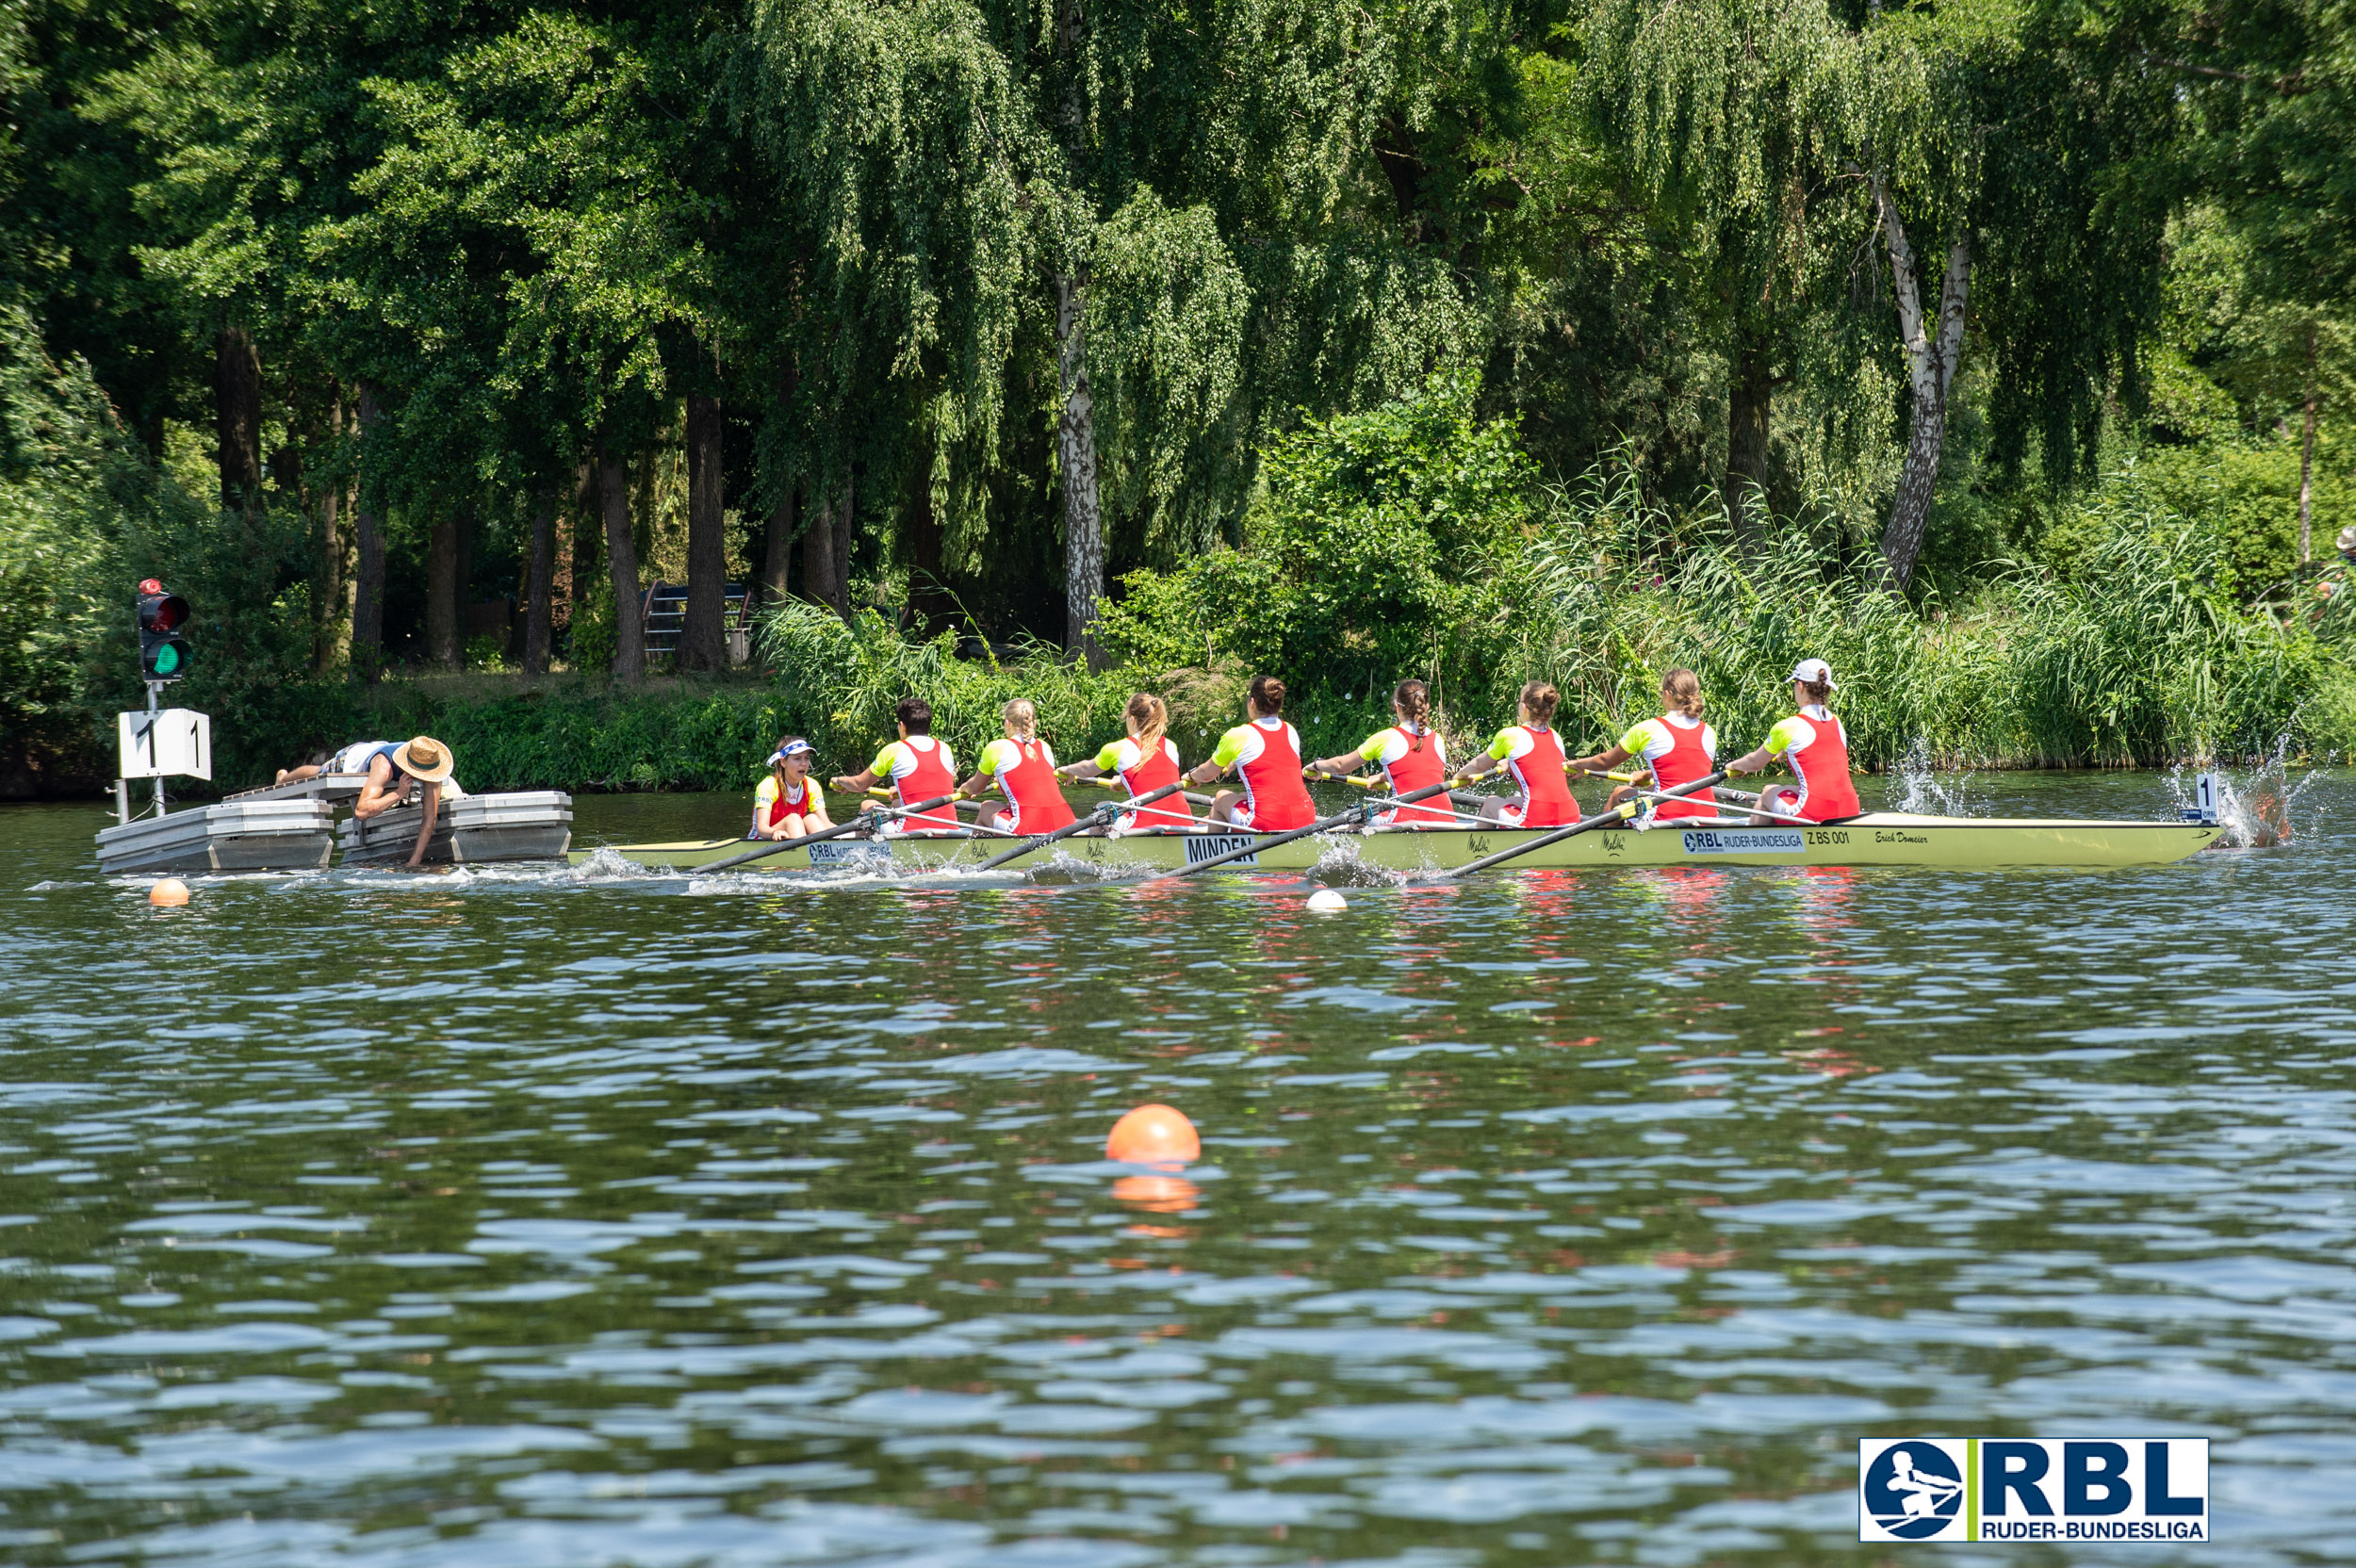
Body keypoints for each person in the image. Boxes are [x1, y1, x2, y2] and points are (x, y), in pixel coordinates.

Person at [1565, 668, 1719, 823]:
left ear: (1667, 694)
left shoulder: (1648, 729)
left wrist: (1578, 764)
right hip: (1708, 815)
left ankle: (1603, 845)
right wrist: (1648, 774)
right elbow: (1686, 768)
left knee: (1619, 793)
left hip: (1665, 816)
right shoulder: (1709, 732)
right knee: (1651, 790)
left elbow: (1605, 762)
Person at [1724, 657, 1864, 823]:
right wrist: (1785, 749)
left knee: (1768, 791)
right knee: (1792, 789)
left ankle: (1753, 845)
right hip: (1850, 809)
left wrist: (1733, 765)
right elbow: (1819, 749)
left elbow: (1755, 763)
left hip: (1813, 813)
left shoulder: (1788, 727)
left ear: (1800, 686)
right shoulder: (1837, 722)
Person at [1306, 678, 1453, 827]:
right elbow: (1421, 774)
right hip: (1447, 821)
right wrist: (1385, 776)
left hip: (1406, 823)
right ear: (1426, 706)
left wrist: (1316, 765)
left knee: (1357, 816)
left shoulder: (1385, 738)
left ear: (1397, 707)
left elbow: (1340, 766)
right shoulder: (1438, 740)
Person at [1186, 675, 1317, 830]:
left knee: (1221, 797)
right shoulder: (1290, 731)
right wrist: (1235, 761)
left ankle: (1214, 849)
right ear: (1279, 706)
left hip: (1266, 823)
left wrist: (1191, 776)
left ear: (1253, 703)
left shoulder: (1237, 735)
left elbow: (1206, 774)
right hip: (1307, 817)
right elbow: (1271, 757)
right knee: (1243, 796)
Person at [1058, 693, 1196, 831]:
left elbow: (1086, 770)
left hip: (1144, 827)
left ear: (1132, 720)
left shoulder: (1118, 748)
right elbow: (1155, 778)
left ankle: (1098, 852)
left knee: (1102, 808)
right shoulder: (1171, 746)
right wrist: (1125, 781)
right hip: (1184, 823)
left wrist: (1067, 769)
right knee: (1126, 809)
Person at [1456, 680, 1579, 827]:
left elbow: (1478, 765)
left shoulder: (1509, 735)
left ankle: (1477, 848)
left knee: (1490, 803)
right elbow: (1539, 762)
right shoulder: (1556, 737)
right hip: (1572, 815)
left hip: (1536, 819)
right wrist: (1510, 761)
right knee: (1512, 800)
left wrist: (1460, 775)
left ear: (1524, 707)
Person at [830, 697, 962, 833]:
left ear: (902, 725)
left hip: (909, 832)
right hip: (950, 830)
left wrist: (839, 781)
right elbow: (928, 781)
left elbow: (859, 784)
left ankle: (860, 849)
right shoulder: (945, 748)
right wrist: (901, 791)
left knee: (867, 804)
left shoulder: (894, 750)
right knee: (896, 803)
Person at [957, 698, 1077, 834]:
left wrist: (964, 788)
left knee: (986, 808)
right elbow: (1030, 788)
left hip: (1029, 827)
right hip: (1068, 823)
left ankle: (977, 854)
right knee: (1015, 807)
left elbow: (976, 788)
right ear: (1034, 723)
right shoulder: (1045, 747)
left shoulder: (997, 747)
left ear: (1007, 723)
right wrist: (1003, 785)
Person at [352, 736, 457, 871]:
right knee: (320, 770)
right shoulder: (383, 766)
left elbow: (430, 818)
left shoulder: (428, 762)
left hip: (387, 745)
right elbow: (361, 811)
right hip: (355, 756)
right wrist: (399, 793)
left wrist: (414, 861)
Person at [750, 737, 832, 841]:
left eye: (806, 758)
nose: (804, 763)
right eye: (797, 758)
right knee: (794, 819)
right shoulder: (768, 786)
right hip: (764, 838)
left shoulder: (812, 785)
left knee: (812, 819)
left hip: (792, 837)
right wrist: (775, 832)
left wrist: (851, 832)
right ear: (783, 762)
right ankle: (802, 854)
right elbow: (761, 828)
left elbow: (825, 823)